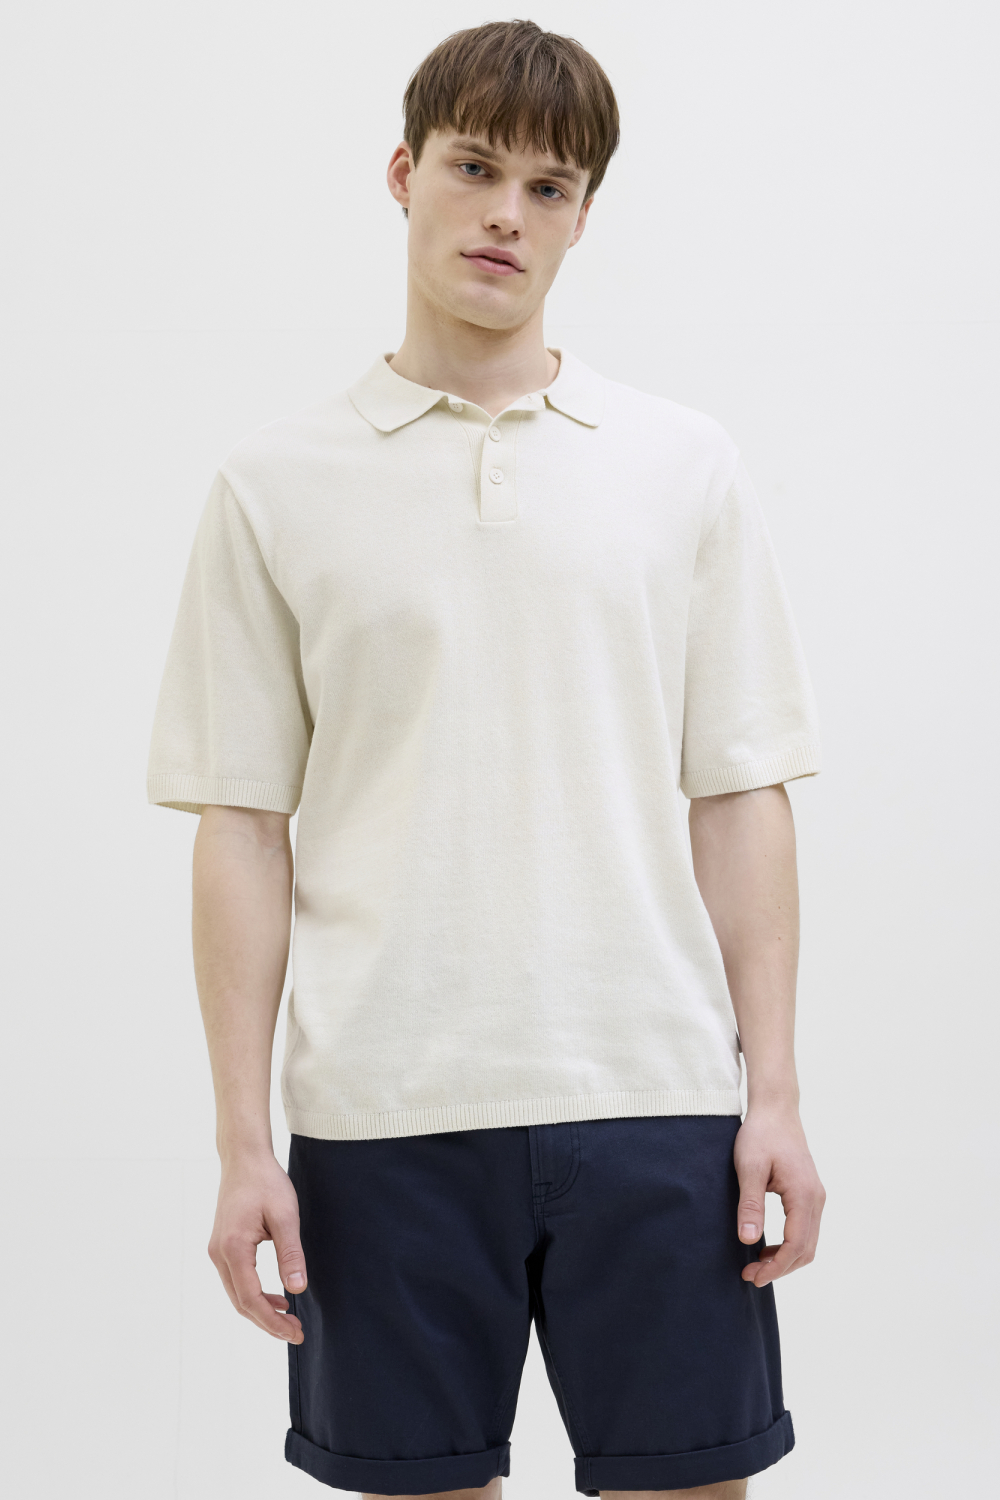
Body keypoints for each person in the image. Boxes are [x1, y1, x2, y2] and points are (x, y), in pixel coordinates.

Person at [148, 19, 826, 1500]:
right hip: (380, 1115)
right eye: (474, 168)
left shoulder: (681, 465)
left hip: (654, 1098)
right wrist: (243, 1142)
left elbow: (739, 790)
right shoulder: (274, 486)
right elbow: (242, 828)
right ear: (404, 173)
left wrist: (771, 1093)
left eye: (549, 186)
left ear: (584, 215)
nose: (507, 214)